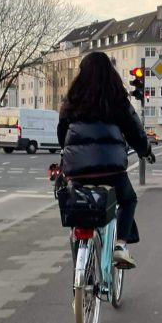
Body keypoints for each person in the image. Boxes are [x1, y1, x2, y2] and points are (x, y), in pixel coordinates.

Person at [57, 51, 155, 269]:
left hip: (78, 170)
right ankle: (120, 245)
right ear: (111, 74)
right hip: (111, 170)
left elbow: (61, 135)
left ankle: (80, 256)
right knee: (128, 200)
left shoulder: (72, 101)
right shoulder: (117, 100)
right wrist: (145, 150)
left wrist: (70, 153)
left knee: (79, 206)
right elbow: (135, 132)